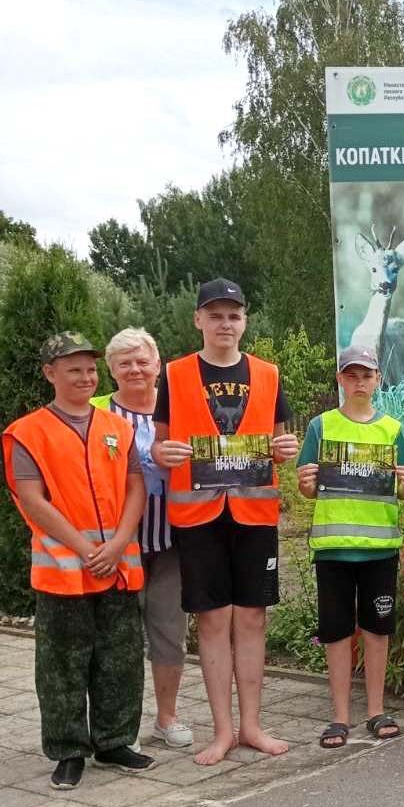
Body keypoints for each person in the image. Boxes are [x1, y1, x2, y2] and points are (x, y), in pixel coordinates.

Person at [152, 279, 298, 766]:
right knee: (213, 621)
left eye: (233, 315)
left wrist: (286, 449)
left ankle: (252, 725)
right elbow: (160, 444)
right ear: (198, 320)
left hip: (254, 512)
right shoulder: (173, 375)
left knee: (253, 618)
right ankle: (222, 731)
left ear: (244, 321)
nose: (224, 324)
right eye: (214, 315)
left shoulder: (269, 374)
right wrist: (161, 452)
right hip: (199, 514)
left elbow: (281, 442)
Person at [3, 332, 154, 789]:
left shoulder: (116, 427)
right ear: (50, 373)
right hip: (64, 571)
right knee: (62, 665)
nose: (85, 377)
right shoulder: (26, 433)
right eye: (74, 369)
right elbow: (32, 499)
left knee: (120, 659)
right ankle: (68, 750)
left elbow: (135, 488)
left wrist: (119, 542)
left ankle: (114, 742)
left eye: (90, 369)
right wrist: (87, 549)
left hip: (118, 568)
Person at [296, 345, 404, 747]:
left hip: (380, 549)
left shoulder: (394, 430)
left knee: (377, 630)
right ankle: (339, 717)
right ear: (340, 380)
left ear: (378, 379)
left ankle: (376, 710)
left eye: (366, 375)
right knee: (335, 632)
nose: (359, 382)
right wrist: (306, 485)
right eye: (351, 375)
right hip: (332, 549)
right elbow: (308, 486)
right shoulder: (320, 426)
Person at [92, 328, 192, 748]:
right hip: (117, 545)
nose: (134, 369)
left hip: (172, 542)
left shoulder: (180, 408)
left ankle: (166, 719)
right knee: (117, 638)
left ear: (157, 365)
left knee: (170, 633)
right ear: (111, 370)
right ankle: (120, 727)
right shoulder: (95, 412)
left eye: (141, 361)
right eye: (124, 362)